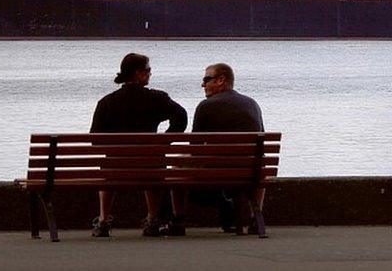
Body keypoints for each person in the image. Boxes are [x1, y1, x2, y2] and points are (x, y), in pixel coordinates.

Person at [89, 53, 187, 238]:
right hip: (149, 165)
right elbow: (181, 116)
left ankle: (103, 221)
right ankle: (152, 219)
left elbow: (95, 139)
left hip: (115, 168)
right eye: (148, 70)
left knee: (107, 167)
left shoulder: (107, 102)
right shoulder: (157, 99)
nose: (150, 74)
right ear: (138, 73)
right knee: (154, 162)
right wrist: (164, 141)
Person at [163, 63, 264, 235]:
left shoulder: (206, 106)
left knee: (176, 167)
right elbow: (259, 143)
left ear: (221, 80)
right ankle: (256, 219)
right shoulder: (252, 103)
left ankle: (178, 221)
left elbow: (195, 148)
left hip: (215, 170)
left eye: (206, 79)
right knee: (260, 168)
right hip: (248, 171)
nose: (203, 84)